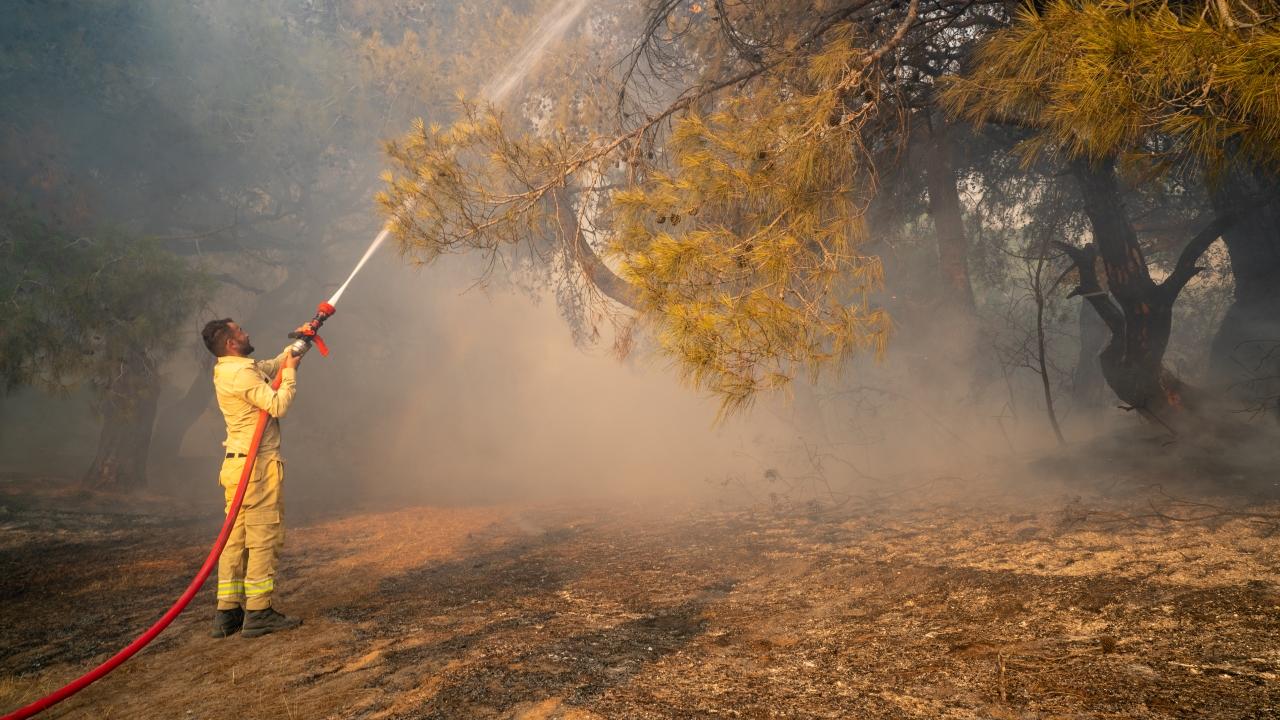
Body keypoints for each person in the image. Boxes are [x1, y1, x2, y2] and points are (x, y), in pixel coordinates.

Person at [200, 318, 304, 638]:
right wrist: (290, 374)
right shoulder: (241, 374)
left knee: (235, 541)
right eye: (240, 331)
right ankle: (259, 611)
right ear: (231, 343)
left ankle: (228, 612)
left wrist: (299, 344)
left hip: (240, 467)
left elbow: (270, 366)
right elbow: (277, 404)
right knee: (263, 538)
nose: (246, 333)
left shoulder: (234, 368)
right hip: (256, 470)